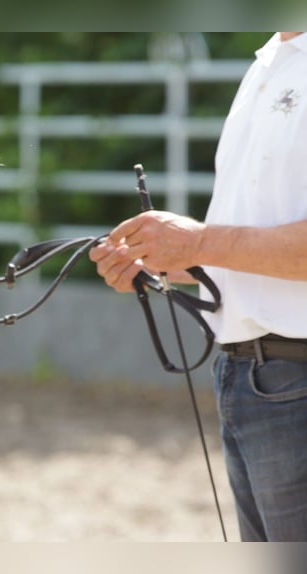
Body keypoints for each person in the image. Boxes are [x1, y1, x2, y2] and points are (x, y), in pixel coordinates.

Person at [90, 32, 307, 541]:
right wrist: (164, 259)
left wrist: (200, 242)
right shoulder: (267, 65)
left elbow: (219, 242)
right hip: (246, 376)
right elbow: (246, 243)